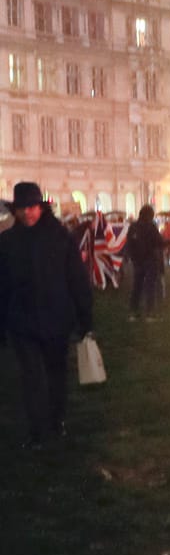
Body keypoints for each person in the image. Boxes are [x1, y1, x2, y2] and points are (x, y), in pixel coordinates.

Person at [0, 182, 93, 448]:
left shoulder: (60, 237)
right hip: (22, 320)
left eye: (32, 207)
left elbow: (76, 278)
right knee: (32, 377)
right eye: (22, 208)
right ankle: (37, 431)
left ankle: (56, 419)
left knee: (55, 373)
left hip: (55, 318)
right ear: (15, 211)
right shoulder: (7, 242)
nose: (28, 213)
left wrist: (85, 315)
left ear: (40, 207)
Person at [125, 205, 166, 322]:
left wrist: (132, 257)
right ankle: (149, 313)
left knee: (136, 286)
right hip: (150, 260)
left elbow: (129, 243)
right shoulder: (151, 227)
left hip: (138, 261)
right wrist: (167, 242)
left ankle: (133, 312)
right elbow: (158, 242)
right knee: (150, 287)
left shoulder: (133, 227)